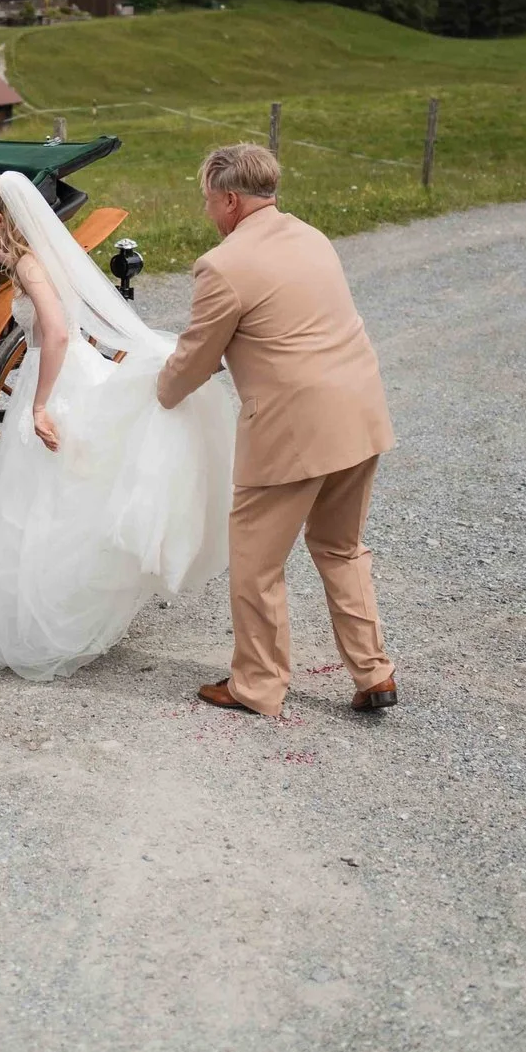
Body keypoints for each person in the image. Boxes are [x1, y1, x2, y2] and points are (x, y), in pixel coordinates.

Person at [0, 173, 239, 682]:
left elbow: (54, 333)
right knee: (46, 500)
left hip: (56, 378)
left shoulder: (31, 265)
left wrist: (38, 406)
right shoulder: (28, 260)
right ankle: (34, 613)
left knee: (39, 501)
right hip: (59, 371)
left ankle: (43, 621)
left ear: (3, 222)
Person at [156, 143, 399, 717]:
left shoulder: (225, 265)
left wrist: (158, 394)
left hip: (292, 430)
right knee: (341, 547)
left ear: (232, 199)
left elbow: (193, 359)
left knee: (257, 563)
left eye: (209, 200)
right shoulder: (312, 237)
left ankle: (257, 686)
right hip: (359, 415)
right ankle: (375, 673)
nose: (208, 212)